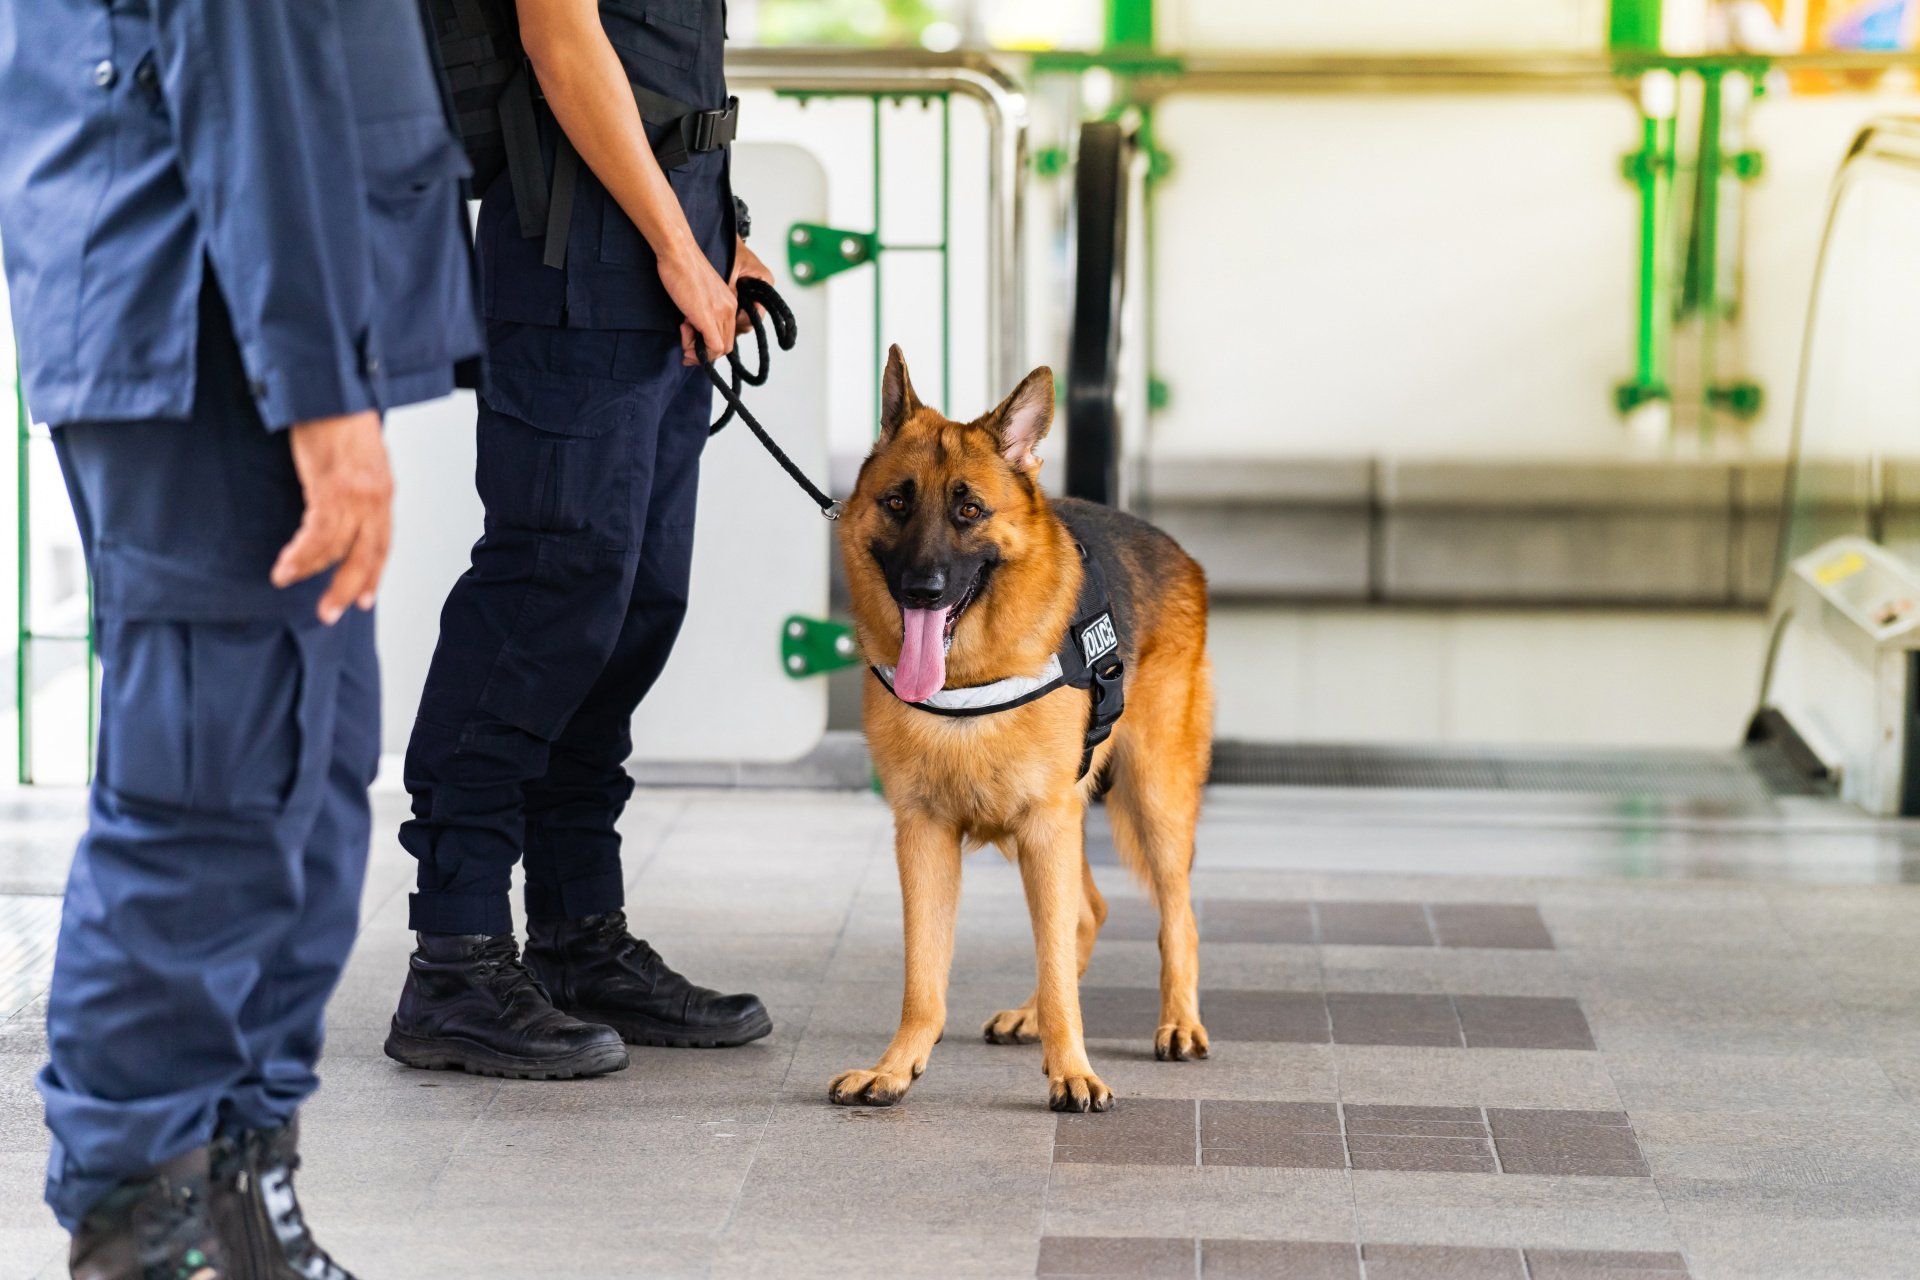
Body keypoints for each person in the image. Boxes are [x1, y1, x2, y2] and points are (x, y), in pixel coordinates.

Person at [0, 1, 481, 1274]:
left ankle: (236, 1189)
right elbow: (246, 43)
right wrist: (319, 387)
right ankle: (137, 1219)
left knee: (307, 793)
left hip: (246, 306)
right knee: (209, 793)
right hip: (208, 315)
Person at [384, 0, 774, 1078]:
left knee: (632, 606)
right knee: (544, 599)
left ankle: (578, 934)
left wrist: (715, 235)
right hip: (577, 260)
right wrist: (675, 246)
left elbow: (664, 57)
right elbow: (563, 42)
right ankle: (454, 955)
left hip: (660, 246)